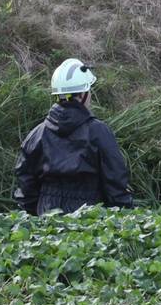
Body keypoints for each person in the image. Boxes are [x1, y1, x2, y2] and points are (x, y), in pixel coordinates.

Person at [14, 58, 134, 216]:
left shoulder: (37, 134)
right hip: (88, 219)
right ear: (83, 94)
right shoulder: (98, 132)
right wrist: (127, 216)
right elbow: (116, 183)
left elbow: (25, 185)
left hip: (46, 218)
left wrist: (36, 215)